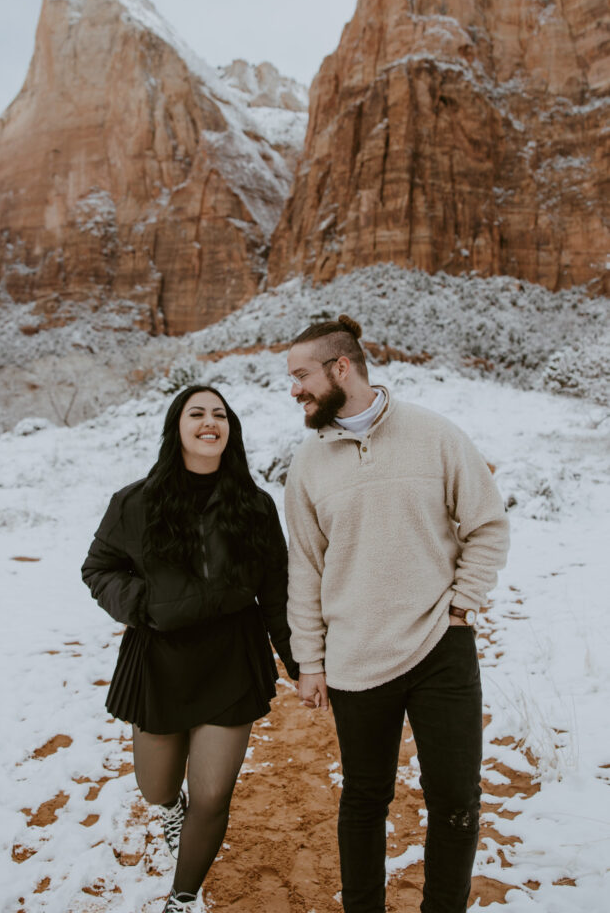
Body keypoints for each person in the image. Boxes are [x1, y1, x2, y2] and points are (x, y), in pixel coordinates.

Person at [284, 315, 510, 913]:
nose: (294, 389)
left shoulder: (434, 435)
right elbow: (304, 568)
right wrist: (311, 659)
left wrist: (463, 605)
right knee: (364, 797)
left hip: (441, 646)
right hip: (356, 656)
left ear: (342, 368)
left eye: (302, 375)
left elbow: (487, 524)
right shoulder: (306, 465)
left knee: (456, 798)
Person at [82, 384, 298, 913]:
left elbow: (276, 592)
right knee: (157, 788)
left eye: (219, 414)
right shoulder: (135, 502)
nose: (209, 422)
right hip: (159, 659)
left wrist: (302, 663)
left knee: (212, 796)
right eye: (196, 413)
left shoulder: (255, 505)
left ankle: (182, 897)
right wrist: (146, 603)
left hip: (230, 659)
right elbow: (98, 568)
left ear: (231, 429)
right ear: (176, 427)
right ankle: (168, 807)